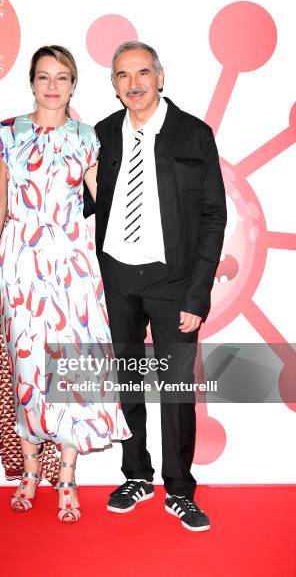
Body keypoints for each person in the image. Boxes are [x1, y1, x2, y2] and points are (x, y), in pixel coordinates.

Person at [0, 45, 131, 524]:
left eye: (62, 77)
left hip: (72, 266)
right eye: (44, 76)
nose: (52, 85)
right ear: (31, 82)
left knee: (71, 371)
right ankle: (29, 473)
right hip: (22, 262)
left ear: (73, 84)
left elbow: (102, 202)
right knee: (28, 369)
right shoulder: (9, 133)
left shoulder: (88, 138)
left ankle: (67, 477)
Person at [83, 41, 227, 531]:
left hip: (175, 283)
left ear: (160, 77)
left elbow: (213, 218)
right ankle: (136, 474)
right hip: (116, 279)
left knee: (177, 390)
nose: (134, 83)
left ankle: (180, 488)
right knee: (126, 385)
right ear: (115, 85)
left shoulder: (193, 134)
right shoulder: (101, 134)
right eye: (122, 75)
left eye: (143, 72)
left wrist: (197, 295)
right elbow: (89, 204)